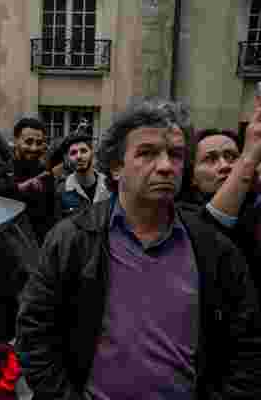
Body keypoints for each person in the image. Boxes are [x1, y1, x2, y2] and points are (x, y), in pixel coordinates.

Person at [16, 99, 261, 399]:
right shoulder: (72, 239)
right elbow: (34, 333)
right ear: (116, 167)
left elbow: (247, 346)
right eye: (147, 153)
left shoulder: (213, 248)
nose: (165, 166)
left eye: (176, 154)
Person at [182, 123, 261, 302]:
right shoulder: (181, 216)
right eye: (210, 159)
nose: (225, 165)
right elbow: (211, 227)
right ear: (192, 176)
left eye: (232, 157)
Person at [0, 117, 55, 243]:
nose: (34, 148)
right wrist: (17, 188)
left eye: (39, 142)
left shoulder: (46, 175)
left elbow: (51, 217)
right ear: (16, 141)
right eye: (29, 142)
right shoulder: (5, 167)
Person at [54, 125, 110, 219]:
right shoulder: (61, 190)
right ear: (68, 158)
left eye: (83, 151)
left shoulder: (109, 185)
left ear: (92, 153)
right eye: (73, 153)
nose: (79, 156)